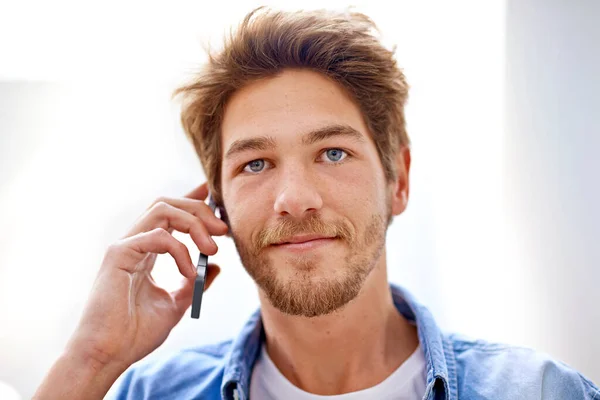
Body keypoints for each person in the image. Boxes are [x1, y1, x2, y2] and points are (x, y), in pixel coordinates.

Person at [33, 7, 599, 400]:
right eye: (255, 164)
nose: (294, 200)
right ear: (218, 205)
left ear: (397, 180)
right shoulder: (151, 395)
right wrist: (90, 362)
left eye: (332, 153)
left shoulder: (541, 391)